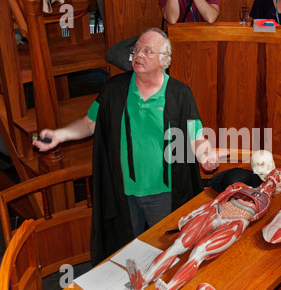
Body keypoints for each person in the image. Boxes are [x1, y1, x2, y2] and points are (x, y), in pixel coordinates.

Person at [33, 28, 225, 266]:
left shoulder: (179, 93)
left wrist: (205, 156)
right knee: (127, 254)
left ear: (164, 60)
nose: (138, 55)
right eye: (136, 50)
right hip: (123, 194)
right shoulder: (115, 89)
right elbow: (88, 123)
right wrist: (59, 135)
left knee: (167, 253)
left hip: (164, 194)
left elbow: (195, 137)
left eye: (147, 51)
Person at [126, 167, 281, 290]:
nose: (277, 175)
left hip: (235, 224)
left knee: (199, 252)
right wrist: (193, 214)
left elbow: (254, 217)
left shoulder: (267, 203)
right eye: (277, 171)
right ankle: (144, 279)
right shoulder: (240, 186)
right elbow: (215, 202)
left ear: (280, 186)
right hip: (217, 212)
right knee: (178, 245)